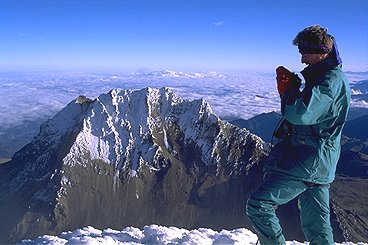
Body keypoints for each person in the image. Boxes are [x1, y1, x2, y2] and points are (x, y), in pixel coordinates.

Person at [246, 25, 351, 245]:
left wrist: (289, 90)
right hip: (319, 161)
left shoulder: (329, 81)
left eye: (305, 52)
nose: (302, 59)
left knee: (259, 205)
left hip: (309, 159)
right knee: (317, 226)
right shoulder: (326, 76)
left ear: (321, 51)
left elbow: (299, 113)